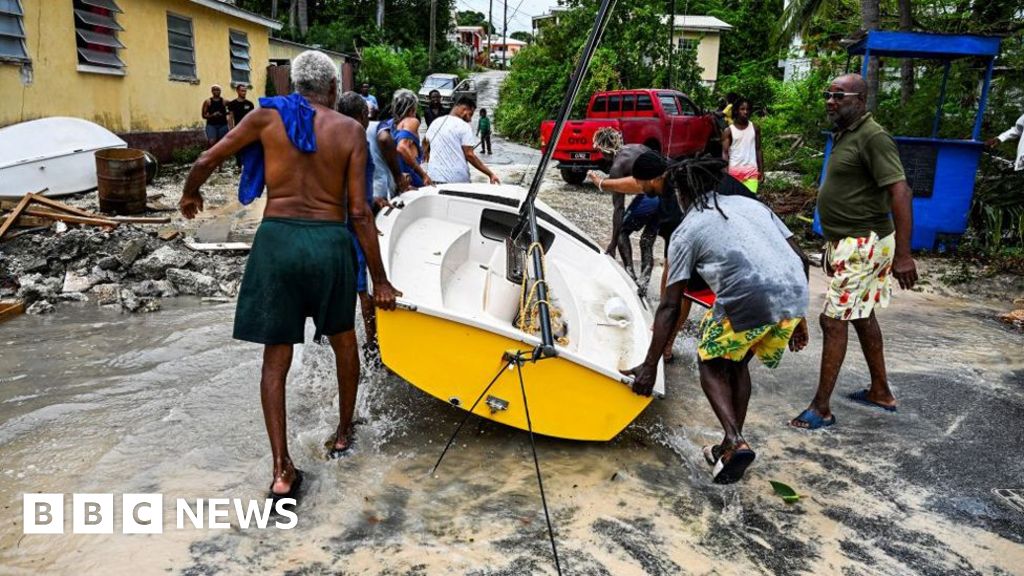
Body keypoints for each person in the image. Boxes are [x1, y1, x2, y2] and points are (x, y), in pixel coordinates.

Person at [178, 50, 400, 499]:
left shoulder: (264, 118)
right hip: (328, 242)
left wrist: (190, 195)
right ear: (334, 89)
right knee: (343, 340)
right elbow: (358, 212)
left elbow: (206, 160)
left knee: (275, 359)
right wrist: (379, 279)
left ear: (293, 86)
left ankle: (281, 470)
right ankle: (341, 435)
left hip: (277, 241)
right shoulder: (350, 129)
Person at [624, 156, 810, 484]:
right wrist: (798, 316)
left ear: (681, 194)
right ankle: (728, 446)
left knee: (709, 360)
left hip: (749, 296)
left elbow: (669, 305)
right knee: (736, 363)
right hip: (794, 293)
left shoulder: (688, 228)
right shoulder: (750, 204)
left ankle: (735, 440)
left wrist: (650, 365)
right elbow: (800, 257)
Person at [790, 74, 918, 430]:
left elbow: (901, 192)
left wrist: (904, 256)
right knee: (860, 314)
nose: (830, 100)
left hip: (865, 242)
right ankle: (880, 391)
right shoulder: (847, 133)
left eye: (838, 95)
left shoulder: (874, 137)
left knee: (833, 320)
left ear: (860, 99)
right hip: (848, 242)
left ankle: (821, 408)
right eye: (827, 94)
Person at [337, 91, 384, 363]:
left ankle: (327, 336)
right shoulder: (358, 142)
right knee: (364, 287)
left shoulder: (328, 137)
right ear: (361, 116)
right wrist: (382, 280)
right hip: (352, 224)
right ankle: (371, 344)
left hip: (329, 223)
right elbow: (357, 206)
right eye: (367, 114)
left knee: (338, 285)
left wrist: (372, 199)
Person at [586, 128, 658, 293]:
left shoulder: (617, 168)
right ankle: (645, 282)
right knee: (646, 240)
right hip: (667, 194)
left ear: (604, 151)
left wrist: (612, 243)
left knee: (622, 232)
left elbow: (619, 209)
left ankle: (631, 278)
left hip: (651, 195)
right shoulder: (637, 147)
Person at [424, 95, 500, 185]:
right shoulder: (464, 126)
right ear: (464, 109)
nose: (470, 119)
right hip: (457, 181)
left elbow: (425, 146)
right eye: (470, 114)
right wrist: (490, 174)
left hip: (433, 178)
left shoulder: (435, 122)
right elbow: (469, 155)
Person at [368, 96, 412, 201]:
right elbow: (385, 139)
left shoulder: (347, 128)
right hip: (379, 189)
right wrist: (398, 177)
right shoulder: (379, 126)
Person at [721, 96, 763, 193]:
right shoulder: (728, 131)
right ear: (736, 111)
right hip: (734, 174)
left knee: (751, 202)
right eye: (742, 109)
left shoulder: (755, 128)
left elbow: (758, 149)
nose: (745, 112)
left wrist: (761, 171)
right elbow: (725, 153)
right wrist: (725, 174)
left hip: (751, 173)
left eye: (748, 109)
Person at [392, 89, 431, 188]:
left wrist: (423, 150)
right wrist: (423, 174)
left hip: (400, 178)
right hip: (411, 175)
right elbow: (402, 147)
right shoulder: (412, 121)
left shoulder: (393, 125)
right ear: (411, 109)